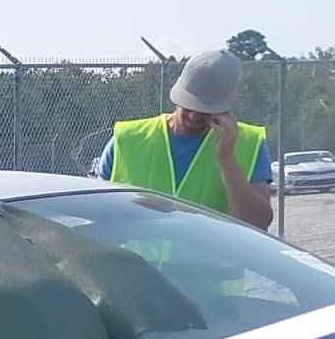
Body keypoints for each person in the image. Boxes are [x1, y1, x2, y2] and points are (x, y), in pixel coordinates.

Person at [100, 48, 272, 229]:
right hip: (134, 257)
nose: (193, 117)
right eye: (188, 107)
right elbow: (97, 210)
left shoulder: (249, 144)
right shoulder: (128, 138)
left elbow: (257, 223)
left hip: (208, 258)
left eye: (205, 111)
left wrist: (227, 161)